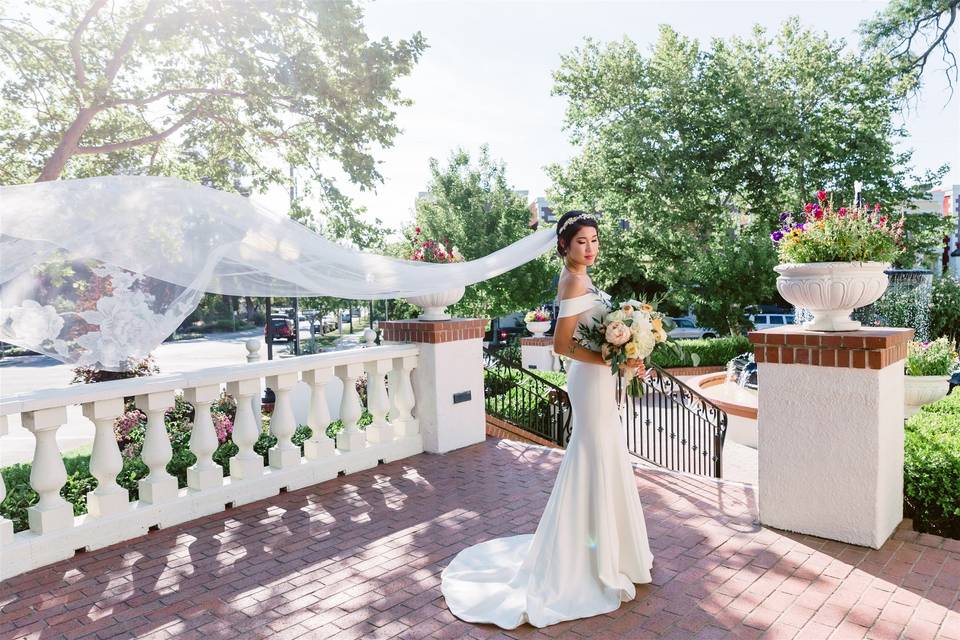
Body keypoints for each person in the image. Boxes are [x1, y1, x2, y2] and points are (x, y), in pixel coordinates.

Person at [439, 210, 654, 629]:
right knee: (592, 455)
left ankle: (610, 552)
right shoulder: (572, 280)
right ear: (564, 245)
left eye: (594, 241)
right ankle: (585, 561)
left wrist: (629, 357)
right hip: (588, 381)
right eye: (581, 242)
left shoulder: (585, 278)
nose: (589, 248)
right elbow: (562, 343)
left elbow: (598, 333)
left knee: (606, 454)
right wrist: (617, 356)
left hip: (599, 378)